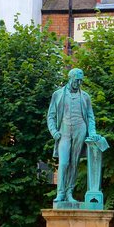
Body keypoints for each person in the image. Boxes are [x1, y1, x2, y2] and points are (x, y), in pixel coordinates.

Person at [47, 68, 98, 206]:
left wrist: (92, 132)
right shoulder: (58, 94)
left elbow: (90, 116)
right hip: (64, 131)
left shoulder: (85, 96)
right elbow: (51, 116)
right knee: (63, 163)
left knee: (74, 163)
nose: (79, 82)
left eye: (81, 80)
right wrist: (53, 131)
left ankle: (69, 193)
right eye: (77, 80)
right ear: (70, 78)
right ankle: (60, 193)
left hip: (80, 129)